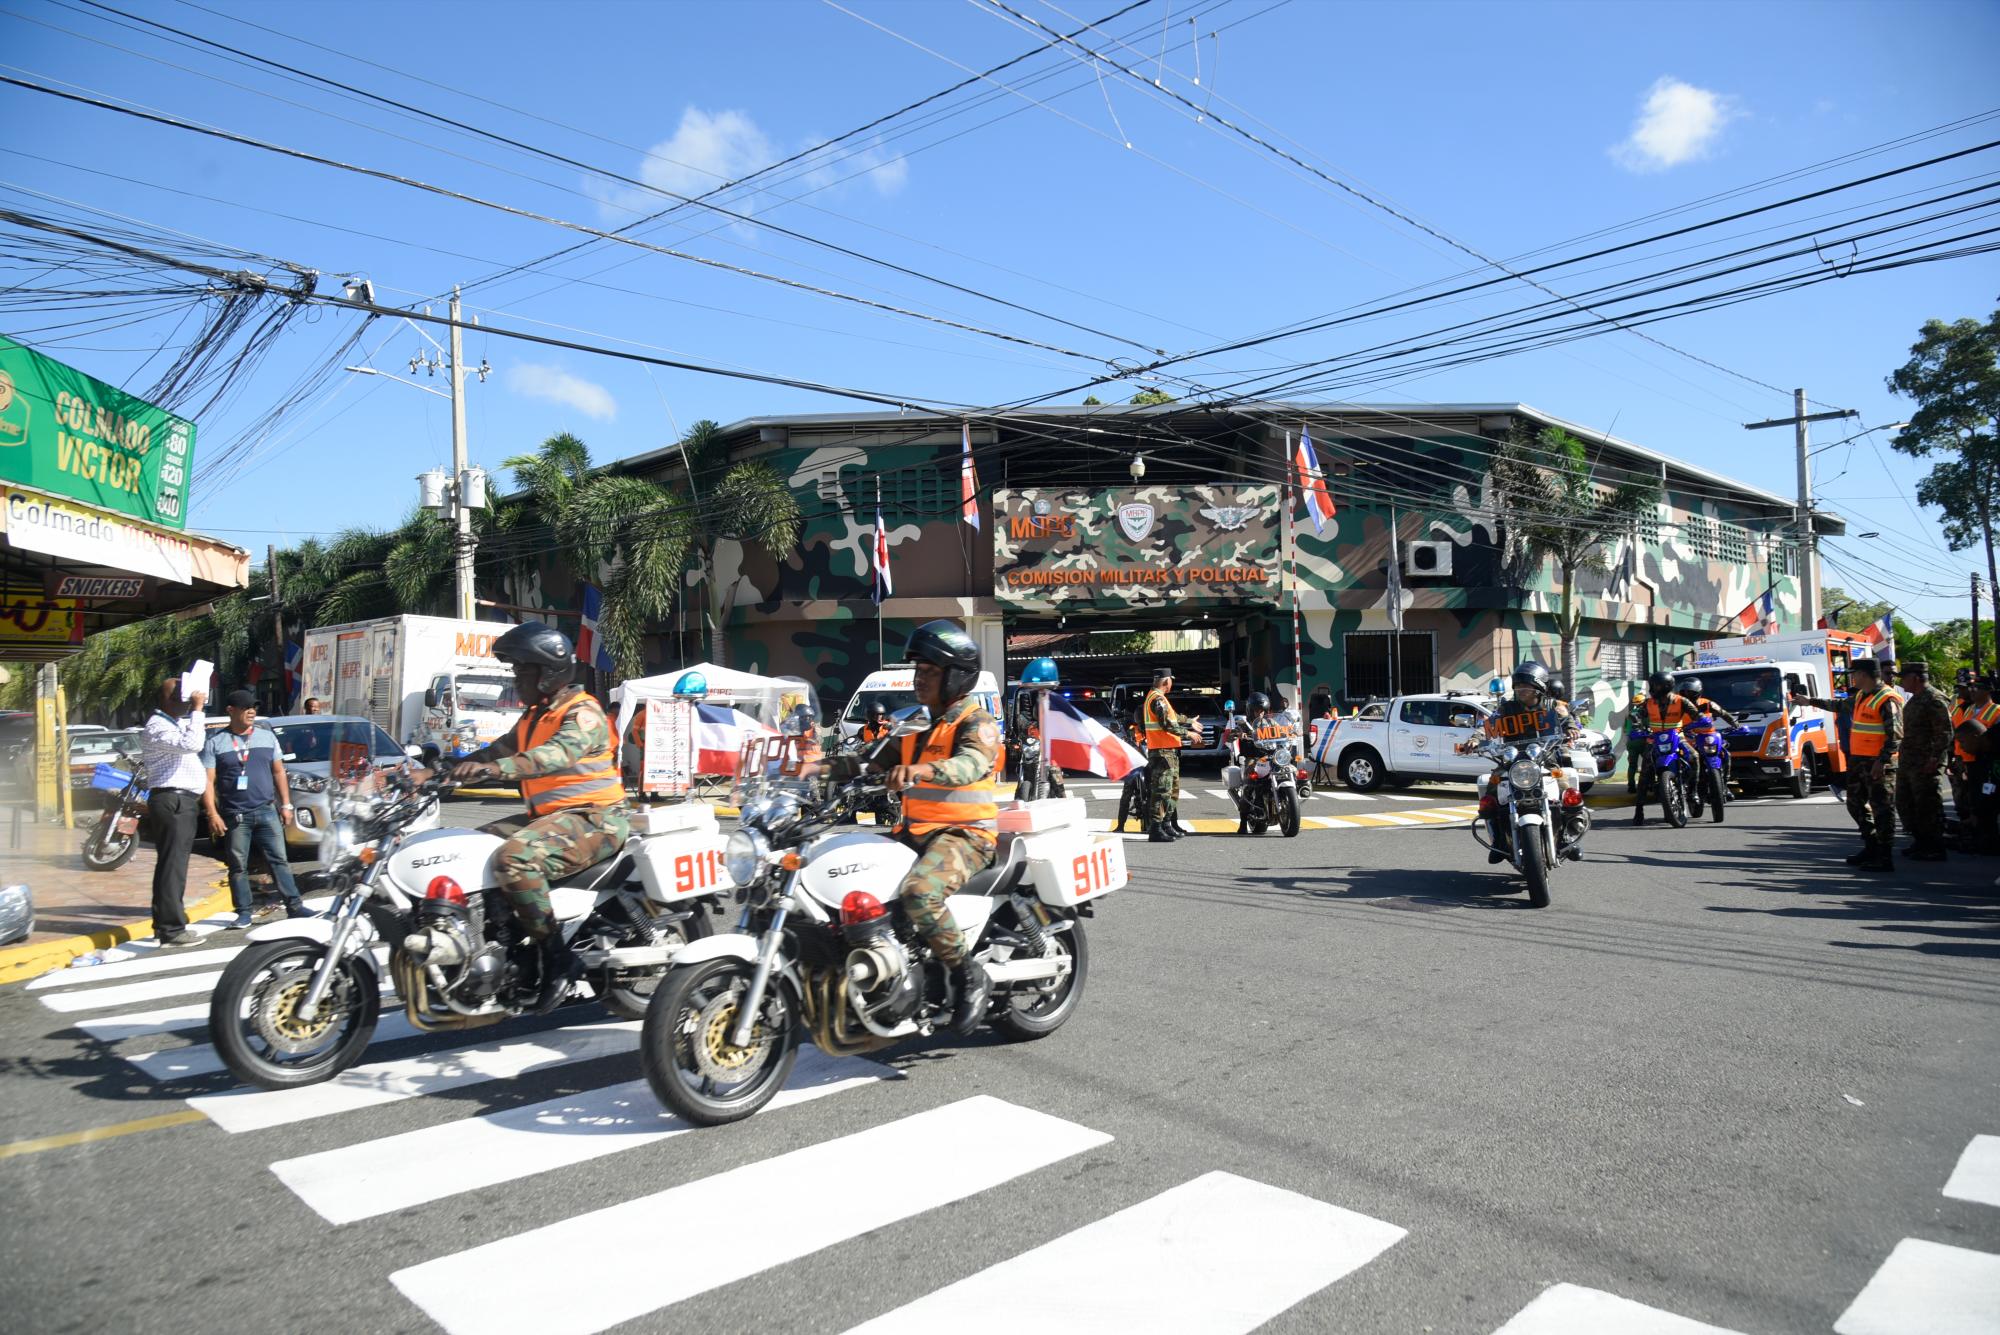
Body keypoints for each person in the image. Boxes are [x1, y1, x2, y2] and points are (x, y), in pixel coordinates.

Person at [817, 620, 1001, 1036]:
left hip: (966, 837)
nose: (919, 680)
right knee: (852, 872)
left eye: (929, 672)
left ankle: (968, 975)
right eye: (918, 670)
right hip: (916, 834)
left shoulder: (977, 722)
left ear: (956, 676)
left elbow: (970, 764)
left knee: (920, 892)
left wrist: (921, 770)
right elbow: (867, 761)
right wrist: (810, 767)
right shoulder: (916, 727)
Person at [448, 622, 628, 1014]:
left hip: (596, 819)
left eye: (521, 670)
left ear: (548, 671)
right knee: (470, 849)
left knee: (515, 858)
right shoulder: (534, 715)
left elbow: (554, 757)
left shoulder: (582, 713)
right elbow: (496, 751)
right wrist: (434, 773)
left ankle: (557, 956)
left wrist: (493, 771)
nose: (516, 679)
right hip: (551, 817)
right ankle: (504, 936)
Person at [202, 689, 315, 928]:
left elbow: (278, 772)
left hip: (266, 810)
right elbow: (208, 782)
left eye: (254, 707)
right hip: (235, 815)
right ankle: (243, 912)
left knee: (279, 861)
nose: (251, 711)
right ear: (231, 711)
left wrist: (286, 804)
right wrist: (212, 813)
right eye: (246, 708)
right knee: (237, 866)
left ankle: (294, 906)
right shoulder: (215, 742)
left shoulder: (266, 737)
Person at [1461, 661, 1577, 860]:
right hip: (1512, 760)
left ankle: (1567, 836)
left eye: (1526, 686)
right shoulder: (1507, 708)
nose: (1521, 690)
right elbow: (1489, 725)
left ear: (1539, 687)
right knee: (1491, 794)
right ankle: (1498, 841)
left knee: (1566, 790)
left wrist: (1571, 729)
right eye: (1517, 686)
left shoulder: (1552, 706)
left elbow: (1568, 721)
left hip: (1544, 758)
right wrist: (1474, 740)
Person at [1795, 656, 1901, 870]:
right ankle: (1871, 845)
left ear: (1863, 675)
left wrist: (1882, 761)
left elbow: (1896, 735)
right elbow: (1839, 706)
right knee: (1855, 804)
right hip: (1859, 761)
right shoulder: (1862, 695)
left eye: (1854, 675)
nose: (1852, 679)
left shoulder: (1887, 698)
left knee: (1882, 809)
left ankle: (1884, 856)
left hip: (1878, 764)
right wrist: (1810, 701)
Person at [140, 678, 209, 945]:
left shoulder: (172, 723)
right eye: (183, 695)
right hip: (173, 801)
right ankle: (171, 928)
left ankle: (168, 923)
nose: (189, 698)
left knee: (173, 866)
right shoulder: (157, 727)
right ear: (169, 699)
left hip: (180, 801)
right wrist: (198, 708)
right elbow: (193, 744)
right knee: (173, 867)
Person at [1895, 660, 1953, 862]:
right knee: (1906, 803)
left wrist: (1935, 759)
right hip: (1909, 761)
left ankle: (1935, 846)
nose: (1902, 682)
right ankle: (1920, 841)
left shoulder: (1934, 699)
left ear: (1916, 678)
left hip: (1925, 762)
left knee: (1927, 805)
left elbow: (1945, 732)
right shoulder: (1914, 699)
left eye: (1904, 678)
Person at [1631, 672, 1700, 827]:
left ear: (1666, 686)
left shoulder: (1681, 701)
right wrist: (1636, 725)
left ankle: (1693, 792)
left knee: (1694, 756)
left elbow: (1697, 715)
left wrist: (1700, 722)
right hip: (1655, 738)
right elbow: (1637, 715)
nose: (1654, 689)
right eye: (1652, 686)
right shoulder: (1648, 703)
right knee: (1645, 772)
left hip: (1678, 736)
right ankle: (1639, 810)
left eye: (1656, 686)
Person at [1140, 667, 1197, 843]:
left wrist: (1189, 721)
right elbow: (1167, 724)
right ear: (1166, 681)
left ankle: (1166, 825)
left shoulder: (1159, 698)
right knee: (1162, 791)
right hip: (1161, 752)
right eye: (1171, 680)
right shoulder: (1157, 699)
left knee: (1172, 791)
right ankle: (1156, 829)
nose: (1171, 682)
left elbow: (1173, 718)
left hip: (1168, 751)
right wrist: (1188, 733)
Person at [1228, 692, 1291, 834]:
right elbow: (1231, 735)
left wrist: (1291, 732)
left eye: (1262, 711)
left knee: (1288, 768)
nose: (1260, 713)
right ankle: (1243, 822)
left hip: (1271, 756)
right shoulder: (1244, 724)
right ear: (1251, 710)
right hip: (1253, 758)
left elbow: (1281, 732)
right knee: (1249, 783)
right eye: (1257, 710)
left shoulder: (1270, 722)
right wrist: (1237, 734)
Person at [1950, 673, 2000, 827]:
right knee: (1969, 797)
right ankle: (1975, 826)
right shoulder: (1969, 709)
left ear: (1987, 691)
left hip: (1983, 761)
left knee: (1986, 797)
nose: (1972, 691)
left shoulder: (1996, 710)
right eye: (1971, 687)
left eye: (1976, 688)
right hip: (1964, 759)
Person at [1951, 717, 1999, 854]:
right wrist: (1976, 814)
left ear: (1975, 737)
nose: (1961, 747)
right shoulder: (1981, 755)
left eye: (1962, 742)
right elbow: (1984, 788)